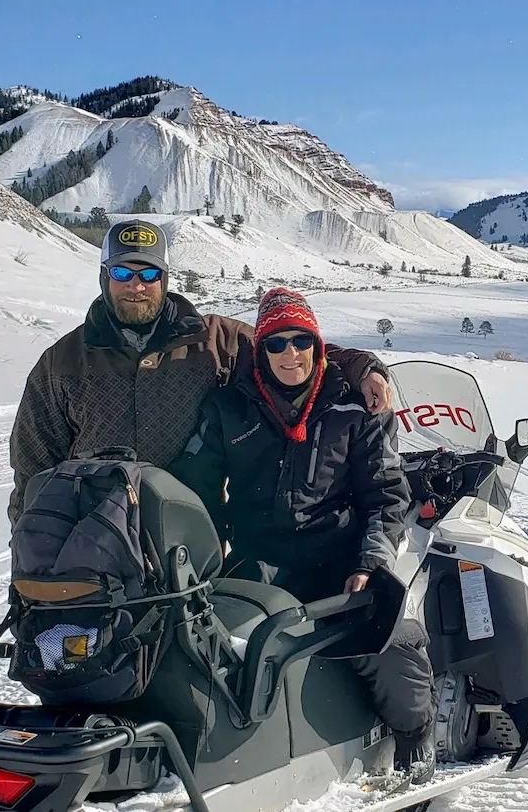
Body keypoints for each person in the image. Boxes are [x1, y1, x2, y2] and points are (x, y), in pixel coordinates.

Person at [170, 287, 437, 784]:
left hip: (340, 564)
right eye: (275, 343)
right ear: (261, 348)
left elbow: (386, 495)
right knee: (208, 652)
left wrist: (370, 564)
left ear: (317, 344)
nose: (289, 354)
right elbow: (198, 491)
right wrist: (197, 557)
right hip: (257, 567)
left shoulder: (355, 407)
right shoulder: (228, 408)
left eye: (301, 341)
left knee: (393, 645)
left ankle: (415, 743)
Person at [7, 219, 394, 522]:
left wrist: (365, 369)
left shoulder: (213, 341)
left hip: (189, 539)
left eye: (149, 274)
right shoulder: (62, 363)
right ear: (104, 277)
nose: (137, 286)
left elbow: (291, 353)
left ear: (165, 278)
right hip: (94, 540)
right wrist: (30, 549)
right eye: (123, 274)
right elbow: (32, 469)